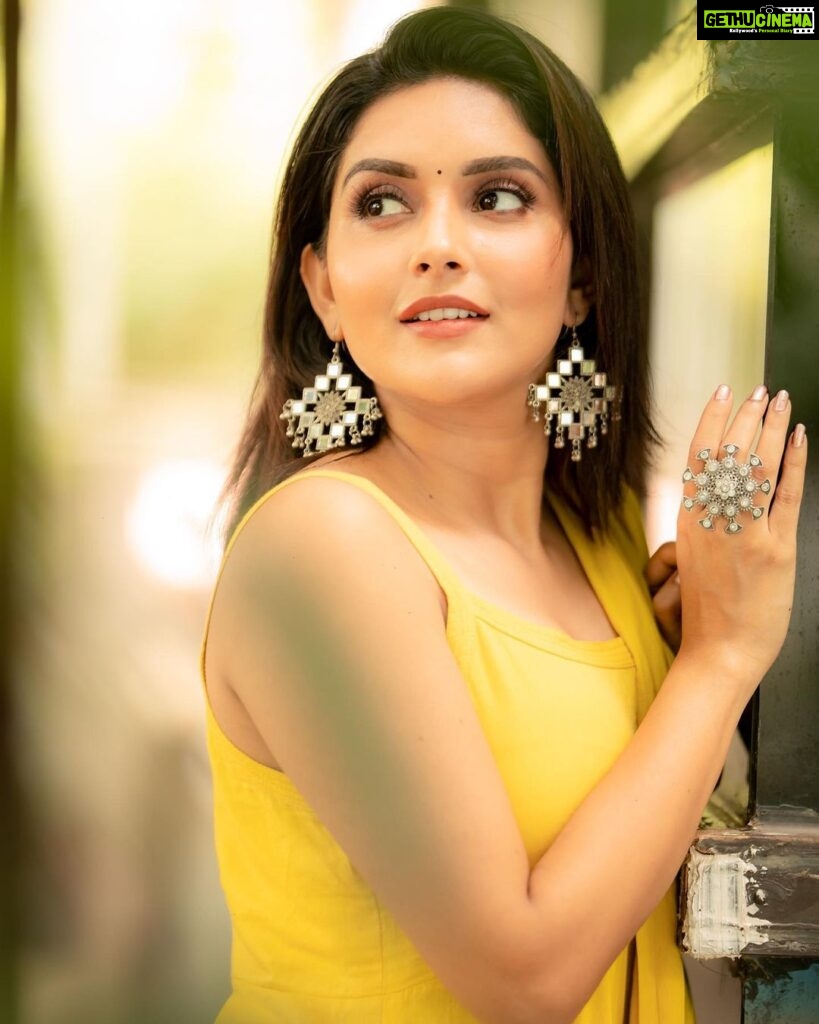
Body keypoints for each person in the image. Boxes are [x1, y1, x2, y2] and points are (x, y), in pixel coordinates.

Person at [200, 7, 807, 1023]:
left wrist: (682, 641)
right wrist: (719, 660)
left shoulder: (600, 532)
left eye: (497, 196)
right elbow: (523, 980)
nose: (437, 244)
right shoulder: (322, 547)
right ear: (324, 288)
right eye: (383, 203)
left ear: (580, 276)